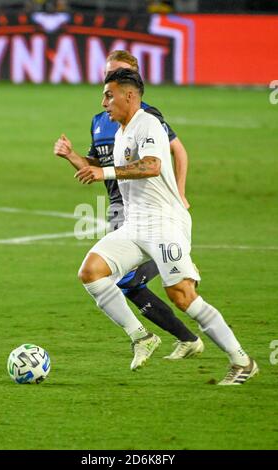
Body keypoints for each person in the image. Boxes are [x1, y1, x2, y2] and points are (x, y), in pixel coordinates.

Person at [75, 68, 258, 384]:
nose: (104, 102)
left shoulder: (149, 125)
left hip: (164, 223)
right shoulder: (120, 134)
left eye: (109, 94)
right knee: (91, 272)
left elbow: (151, 166)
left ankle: (241, 361)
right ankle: (141, 336)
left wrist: (104, 173)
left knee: (183, 296)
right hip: (135, 225)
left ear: (129, 96)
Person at [54, 50, 204, 361]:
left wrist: (180, 191)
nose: (112, 78)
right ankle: (184, 337)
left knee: (126, 280)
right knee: (122, 282)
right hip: (119, 208)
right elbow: (97, 163)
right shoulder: (100, 120)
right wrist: (71, 156)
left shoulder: (148, 115)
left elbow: (178, 152)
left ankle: (160, 333)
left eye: (120, 72)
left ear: (132, 82)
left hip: (150, 208)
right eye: (109, 72)